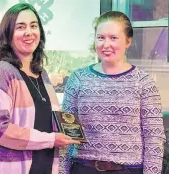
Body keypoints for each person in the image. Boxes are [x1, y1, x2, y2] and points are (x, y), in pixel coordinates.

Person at [60, 11, 165, 174]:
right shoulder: (78, 78)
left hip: (128, 169)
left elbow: (154, 139)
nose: (105, 44)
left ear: (128, 41)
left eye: (113, 38)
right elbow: (67, 134)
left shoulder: (143, 82)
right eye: (100, 37)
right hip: (83, 167)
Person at [0, 3, 80, 174]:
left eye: (33, 26)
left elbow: (50, 117)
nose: (28, 32)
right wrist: (50, 140)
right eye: (20, 27)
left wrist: (75, 130)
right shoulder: (1, 72)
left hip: (45, 167)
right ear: (8, 33)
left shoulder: (42, 74)